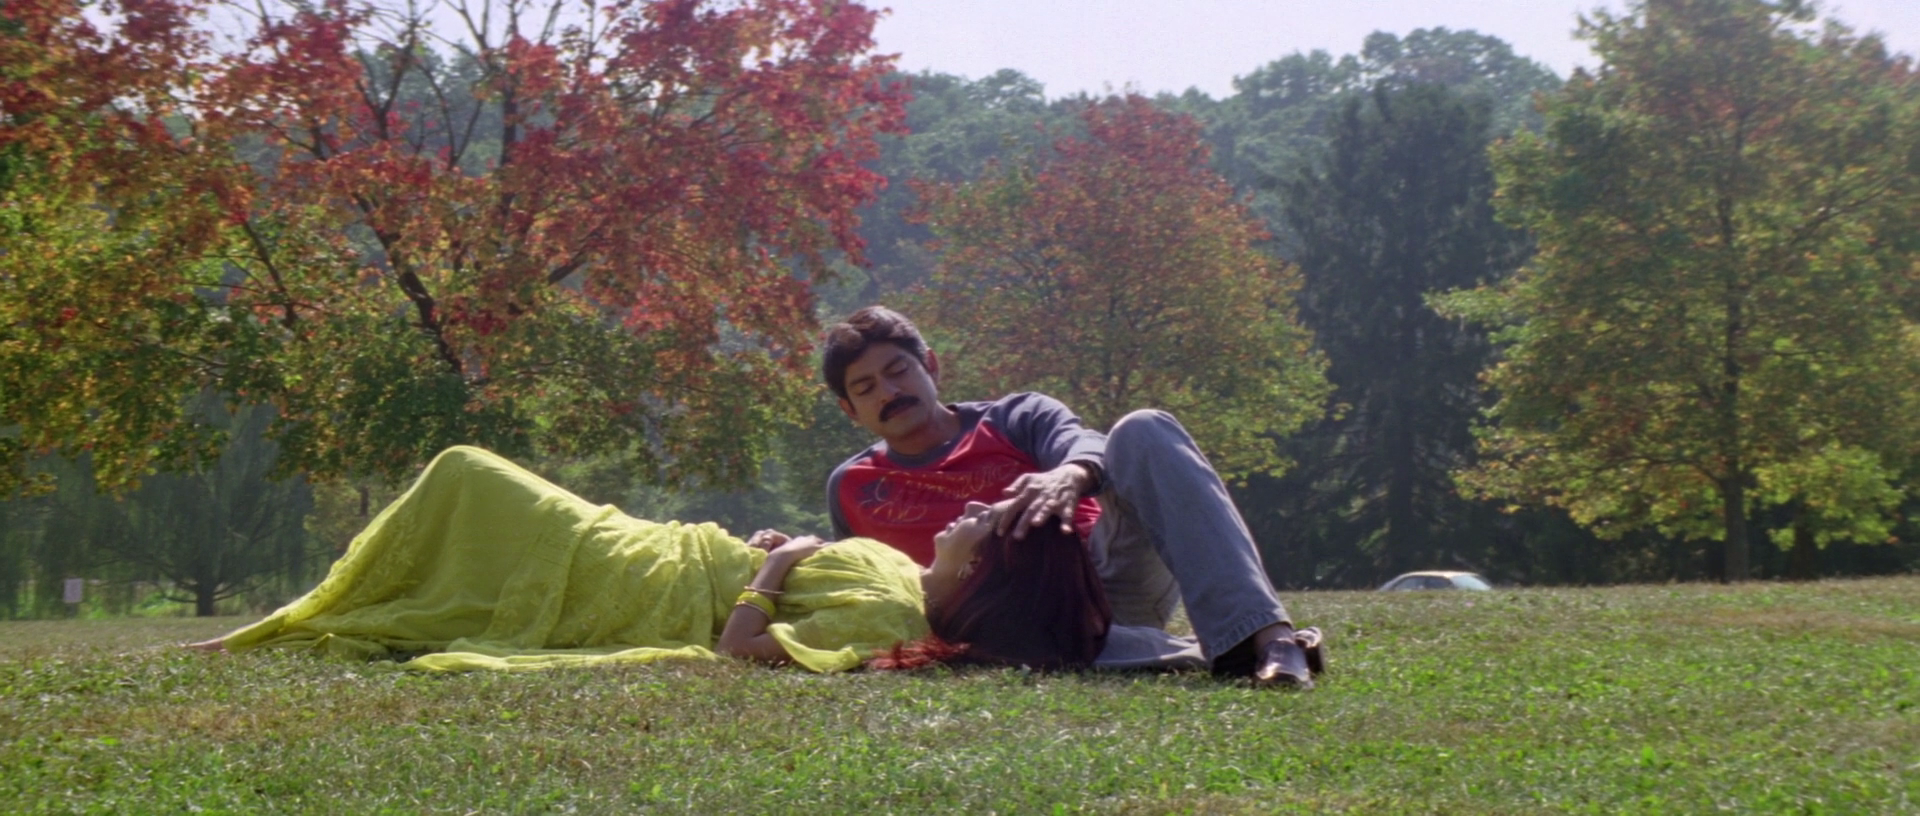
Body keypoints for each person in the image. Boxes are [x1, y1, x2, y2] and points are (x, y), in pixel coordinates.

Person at [188, 446, 1110, 673]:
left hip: (649, 586)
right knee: (464, 483)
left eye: (986, 522)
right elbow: (810, 572)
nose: (974, 508)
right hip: (673, 546)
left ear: (985, 573)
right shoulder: (904, 578)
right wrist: (780, 550)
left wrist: (771, 573)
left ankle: (304, 619)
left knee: (465, 473)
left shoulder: (894, 622)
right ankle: (305, 614)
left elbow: (742, 649)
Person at [783, 305, 1325, 687]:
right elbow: (866, 582)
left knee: (1143, 429)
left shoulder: (1015, 417)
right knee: (1016, 647)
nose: (889, 392)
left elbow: (1087, 443)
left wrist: (1072, 473)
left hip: (1107, 575)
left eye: (898, 371)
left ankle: (1269, 636)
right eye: (866, 388)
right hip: (1001, 625)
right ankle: (1223, 654)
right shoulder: (852, 486)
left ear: (931, 366)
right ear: (849, 410)